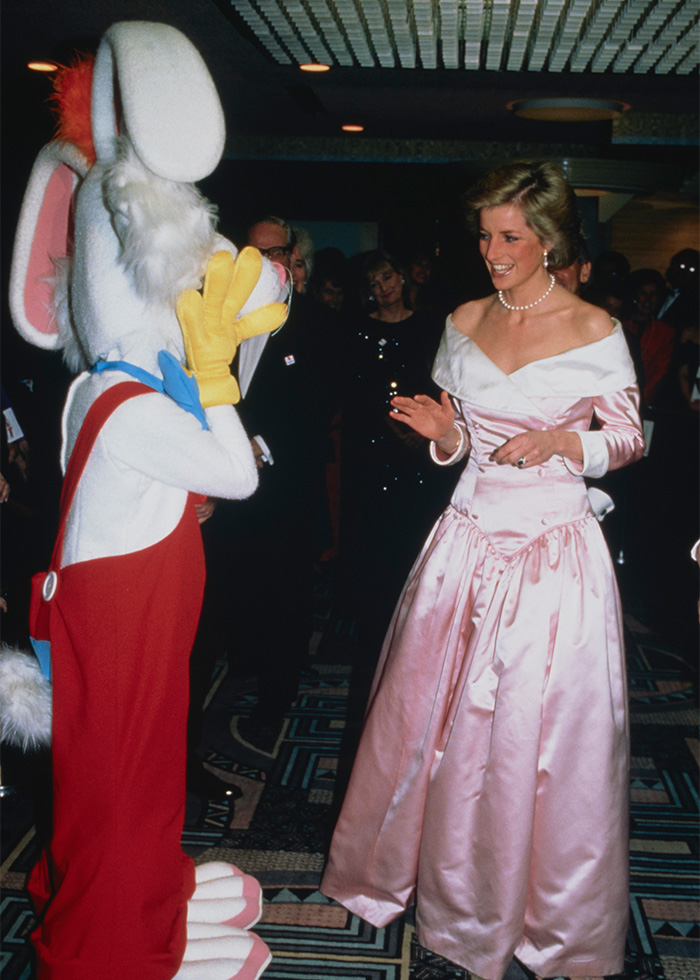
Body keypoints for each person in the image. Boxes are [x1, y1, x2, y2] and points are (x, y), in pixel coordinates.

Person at [321, 160, 645, 980]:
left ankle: (533, 912)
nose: (492, 251)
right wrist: (441, 432)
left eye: (510, 237)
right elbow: (459, 444)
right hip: (464, 538)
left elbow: (632, 438)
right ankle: (425, 881)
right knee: (431, 723)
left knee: (531, 739)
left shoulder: (595, 329)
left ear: (549, 240)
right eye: (485, 236)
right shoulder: (462, 318)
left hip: (551, 552)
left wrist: (567, 443)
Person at [337, 249, 451, 640]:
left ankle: (414, 621)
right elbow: (351, 392)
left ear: (401, 277)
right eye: (373, 283)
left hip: (415, 449)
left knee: (412, 532)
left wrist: (420, 431)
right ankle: (373, 619)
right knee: (371, 538)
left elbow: (439, 387)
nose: (382, 288)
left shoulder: (430, 327)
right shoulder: (355, 329)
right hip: (369, 448)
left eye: (386, 278)